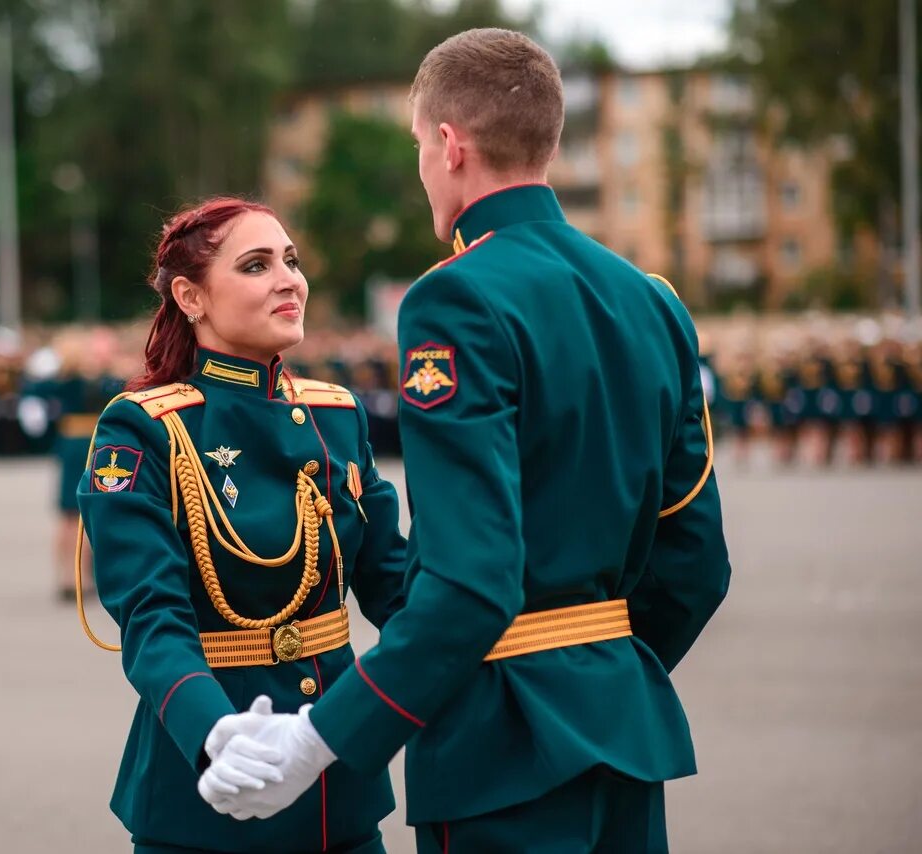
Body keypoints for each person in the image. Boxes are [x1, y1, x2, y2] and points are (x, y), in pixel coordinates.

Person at [201, 29, 731, 853]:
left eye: (419, 144)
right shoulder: (652, 300)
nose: (421, 166)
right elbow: (697, 562)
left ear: (449, 146)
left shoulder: (456, 301)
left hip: (503, 743)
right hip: (625, 733)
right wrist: (598, 672)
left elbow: (472, 585)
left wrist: (319, 740)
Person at [76, 197, 409, 854]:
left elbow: (398, 587)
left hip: (335, 792)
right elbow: (151, 614)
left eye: (290, 260)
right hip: (206, 793)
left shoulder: (335, 415)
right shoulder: (146, 427)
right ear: (190, 296)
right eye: (256, 265)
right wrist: (213, 731)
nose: (289, 279)